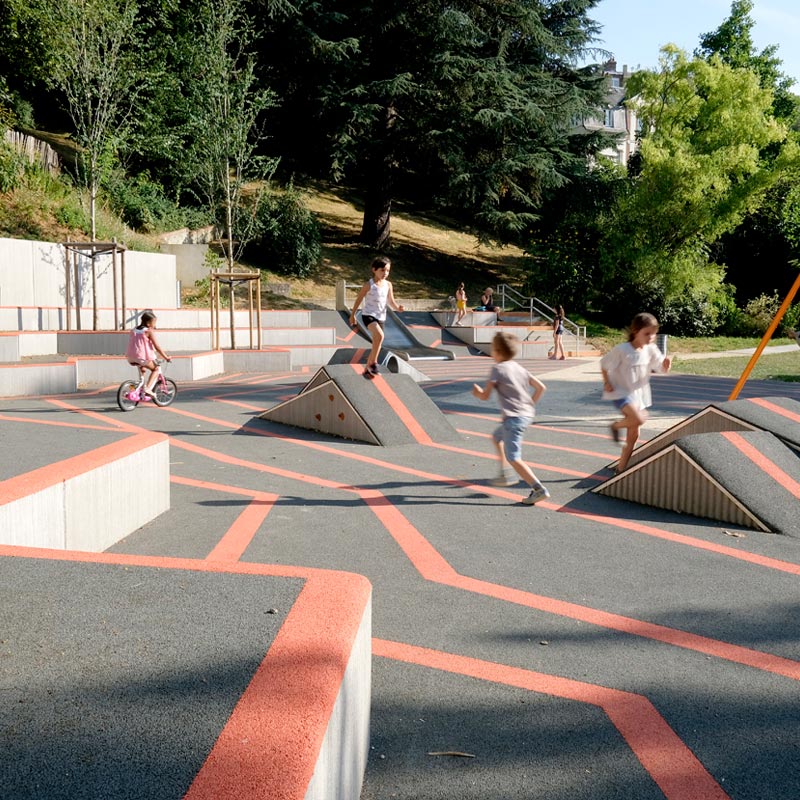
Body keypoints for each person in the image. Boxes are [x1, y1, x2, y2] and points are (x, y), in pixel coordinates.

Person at [472, 331, 550, 505]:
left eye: (492, 349)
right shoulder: (519, 368)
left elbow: (485, 396)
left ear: (497, 351)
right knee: (496, 437)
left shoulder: (498, 369)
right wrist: (530, 405)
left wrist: (477, 392)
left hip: (513, 419)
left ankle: (538, 488)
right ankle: (504, 474)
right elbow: (541, 387)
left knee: (514, 457)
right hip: (525, 415)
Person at [601, 312, 671, 473]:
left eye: (654, 333)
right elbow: (605, 365)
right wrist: (607, 382)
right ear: (635, 332)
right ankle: (615, 426)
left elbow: (660, 368)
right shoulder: (623, 350)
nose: (651, 337)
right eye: (647, 333)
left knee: (633, 435)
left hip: (639, 395)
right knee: (639, 418)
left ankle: (621, 469)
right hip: (621, 392)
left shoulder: (651, 349)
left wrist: (666, 366)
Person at [349, 255, 405, 378]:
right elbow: (358, 300)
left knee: (377, 341)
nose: (385, 273)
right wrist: (353, 315)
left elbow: (391, 301)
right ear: (374, 270)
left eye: (388, 271)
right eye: (382, 270)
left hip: (381, 317)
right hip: (368, 315)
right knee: (380, 336)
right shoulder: (368, 285)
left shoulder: (388, 285)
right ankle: (373, 364)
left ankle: (367, 368)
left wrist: (398, 308)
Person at [125, 311, 171, 397]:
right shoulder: (148, 331)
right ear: (148, 323)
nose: (155, 325)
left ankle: (134, 389)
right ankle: (148, 389)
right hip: (141, 357)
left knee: (143, 370)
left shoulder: (134, 329)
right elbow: (157, 346)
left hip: (130, 357)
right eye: (154, 323)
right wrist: (166, 357)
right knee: (156, 369)